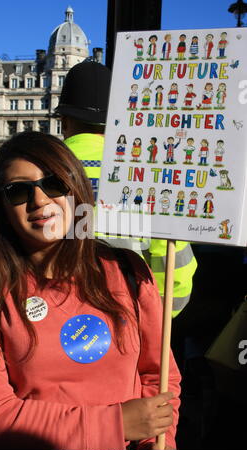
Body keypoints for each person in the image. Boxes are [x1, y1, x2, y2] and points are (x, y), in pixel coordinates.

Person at [0, 131, 181, 450]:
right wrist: (114, 424)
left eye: (54, 182)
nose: (40, 200)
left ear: (76, 189)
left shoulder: (129, 272)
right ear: (1, 208)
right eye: (18, 191)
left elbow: (160, 379)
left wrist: (160, 441)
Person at [55, 60, 197, 319]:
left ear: (64, 122)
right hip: (127, 322)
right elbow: (177, 267)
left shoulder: (35, 170)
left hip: (50, 326)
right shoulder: (149, 177)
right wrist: (152, 320)